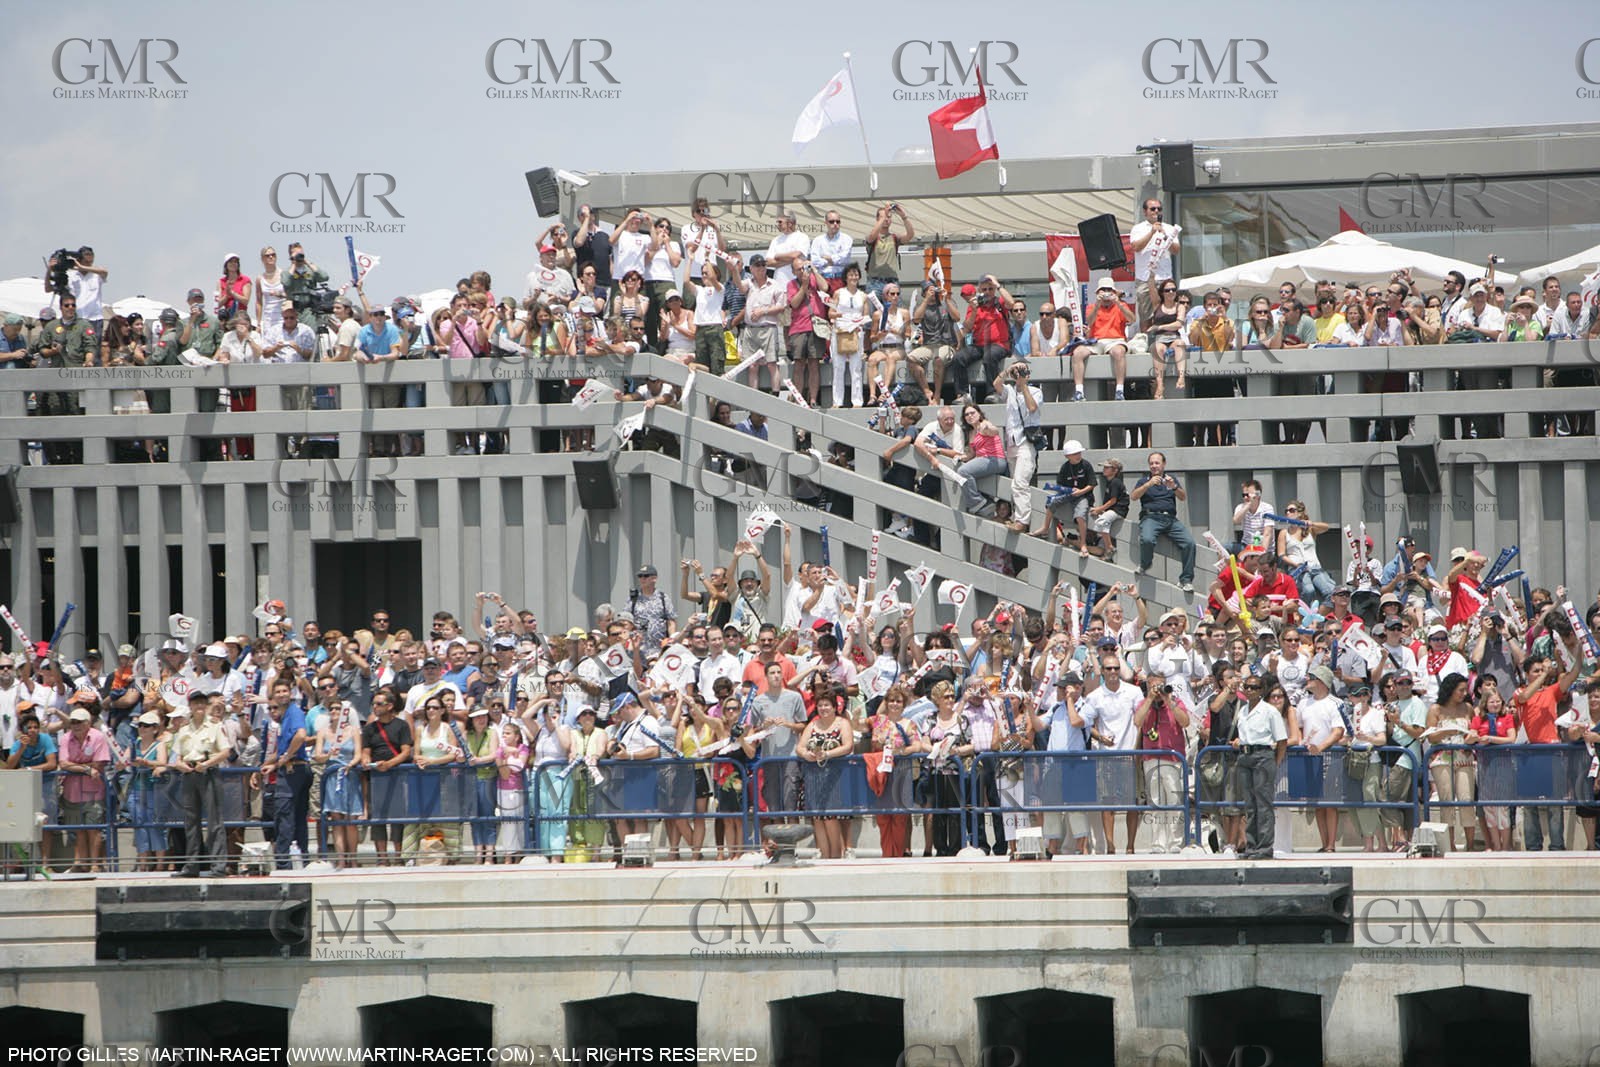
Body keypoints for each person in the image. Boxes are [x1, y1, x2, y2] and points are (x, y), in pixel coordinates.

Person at [1080, 652, 1145, 853]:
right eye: (1108, 668)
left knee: (1133, 803)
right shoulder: (1095, 696)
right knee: (1107, 803)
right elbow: (1084, 723)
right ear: (1103, 671)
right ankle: (1110, 845)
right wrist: (1100, 737)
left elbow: (1141, 721)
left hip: (1129, 754)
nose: (1113, 672)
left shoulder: (1134, 692)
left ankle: (1131, 846)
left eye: (1116, 668)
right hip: (1106, 756)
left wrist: (1137, 748)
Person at [169, 694, 230, 878]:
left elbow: (226, 751)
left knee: (214, 822)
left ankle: (218, 866)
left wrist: (208, 763)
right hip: (189, 773)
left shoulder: (215, 727)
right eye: (196, 703)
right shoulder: (184, 729)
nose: (200, 707)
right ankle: (192, 865)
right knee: (190, 822)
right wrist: (180, 765)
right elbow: (177, 757)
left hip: (208, 772)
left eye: (203, 703)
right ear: (190, 706)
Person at [1232, 677, 1288, 859]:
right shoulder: (1243, 711)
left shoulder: (1270, 711)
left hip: (1263, 755)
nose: (1249, 690)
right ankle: (1252, 845)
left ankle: (1264, 847)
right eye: (1246, 686)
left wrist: (1275, 762)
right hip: (1245, 755)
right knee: (1250, 804)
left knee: (1263, 804)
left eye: (1254, 687)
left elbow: (1281, 740)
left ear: (1262, 690)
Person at [798, 690, 855, 859]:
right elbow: (800, 747)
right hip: (814, 776)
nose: (823, 708)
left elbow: (848, 746)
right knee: (817, 817)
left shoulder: (842, 723)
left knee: (831, 817)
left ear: (834, 707)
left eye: (827, 705)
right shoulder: (813, 725)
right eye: (820, 705)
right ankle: (824, 855)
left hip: (835, 776)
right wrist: (806, 754)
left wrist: (828, 754)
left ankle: (836, 856)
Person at [1129, 451, 1197, 593]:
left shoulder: (1171, 479)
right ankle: (1145, 564)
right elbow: (1134, 497)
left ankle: (1186, 579)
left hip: (1170, 519)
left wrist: (1174, 487)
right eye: (1151, 463)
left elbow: (1183, 497)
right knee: (1147, 539)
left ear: (1164, 464)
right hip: (1151, 517)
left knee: (1189, 543)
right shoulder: (1143, 480)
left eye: (1157, 463)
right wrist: (1148, 484)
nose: (1154, 466)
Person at [262, 679, 311, 870]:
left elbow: (300, 736)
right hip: (292, 768)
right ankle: (302, 861)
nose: (282, 694)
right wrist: (270, 764)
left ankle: (283, 864)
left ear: (290, 693)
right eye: (278, 691)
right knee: (298, 818)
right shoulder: (284, 716)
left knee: (284, 817)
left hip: (294, 771)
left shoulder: (294, 711)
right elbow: (283, 748)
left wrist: (285, 758)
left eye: (285, 691)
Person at [314, 701, 366, 868]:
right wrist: (328, 754)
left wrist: (350, 765)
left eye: (338, 708)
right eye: (332, 709)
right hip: (332, 777)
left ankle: (353, 859)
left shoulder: (353, 731)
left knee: (351, 820)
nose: (335, 711)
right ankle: (341, 860)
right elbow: (317, 756)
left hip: (349, 776)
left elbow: (358, 754)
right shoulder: (323, 732)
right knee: (336, 820)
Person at [994, 360, 1043, 533]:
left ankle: (1022, 521)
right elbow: (996, 384)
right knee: (1014, 482)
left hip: (1026, 443)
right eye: (1018, 372)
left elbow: (1031, 407)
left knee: (1020, 483)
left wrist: (1024, 385)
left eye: (1022, 371)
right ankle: (1017, 516)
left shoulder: (1036, 391)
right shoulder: (1010, 390)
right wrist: (1009, 370)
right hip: (1011, 443)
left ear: (1028, 375)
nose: (1019, 374)